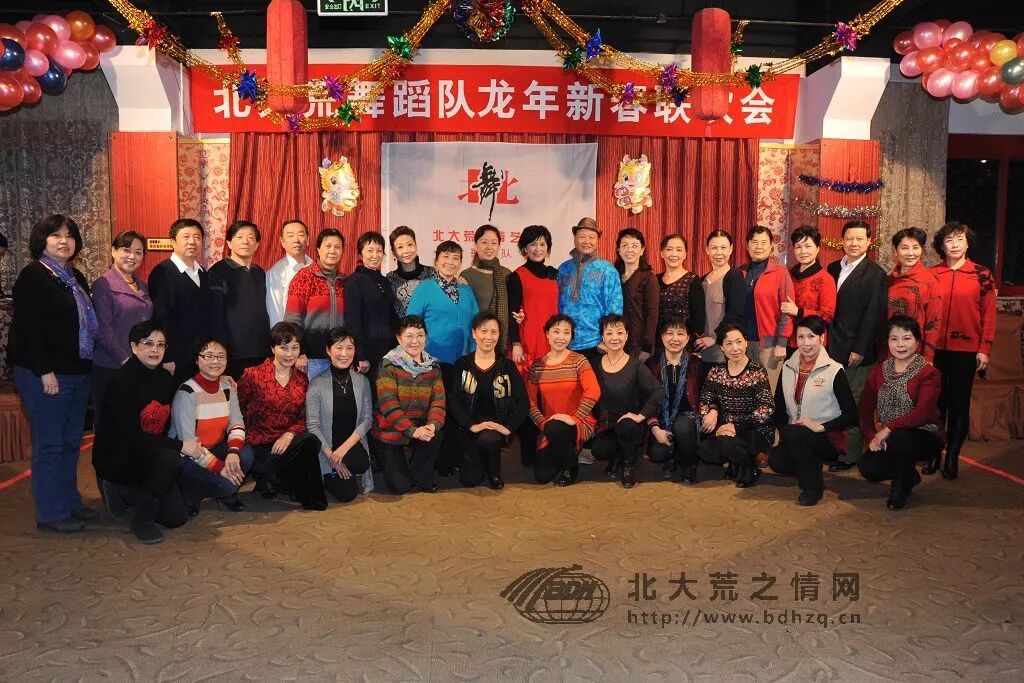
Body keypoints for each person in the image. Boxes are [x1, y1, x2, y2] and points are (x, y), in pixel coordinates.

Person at [10, 215, 99, 533]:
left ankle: (70, 502)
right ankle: (51, 513)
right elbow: (30, 330)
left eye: (69, 235)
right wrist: (45, 371)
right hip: (44, 374)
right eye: (56, 235)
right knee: (50, 444)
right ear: (42, 240)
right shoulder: (33, 276)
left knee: (71, 442)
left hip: (76, 372)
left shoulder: (75, 277)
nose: (64, 241)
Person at [92, 321, 189, 544]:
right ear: (134, 347)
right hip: (118, 455)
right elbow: (131, 436)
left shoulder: (164, 378)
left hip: (148, 454)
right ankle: (141, 521)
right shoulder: (122, 381)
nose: (155, 349)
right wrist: (180, 446)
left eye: (161, 344)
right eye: (148, 343)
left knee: (176, 517)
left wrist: (223, 378)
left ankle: (128, 490)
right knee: (170, 458)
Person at [927, 221, 997, 479]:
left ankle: (952, 456)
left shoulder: (982, 274)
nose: (954, 245)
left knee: (958, 404)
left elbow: (989, 315)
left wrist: (984, 348)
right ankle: (934, 453)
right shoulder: (932, 274)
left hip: (966, 350)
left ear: (968, 244)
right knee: (934, 404)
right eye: (949, 240)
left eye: (960, 240)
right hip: (934, 350)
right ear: (941, 246)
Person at [768, 316, 857, 506]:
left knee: (796, 435)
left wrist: (820, 427)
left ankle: (813, 487)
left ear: (821, 338)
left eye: (811, 336)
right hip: (795, 435)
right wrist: (784, 433)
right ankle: (811, 466)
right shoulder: (788, 366)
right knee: (777, 461)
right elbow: (779, 407)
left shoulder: (834, 370)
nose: (806, 343)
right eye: (801, 337)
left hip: (827, 437)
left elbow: (851, 414)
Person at [237, 322, 327, 511]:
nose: (289, 354)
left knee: (310, 441)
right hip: (260, 448)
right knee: (302, 457)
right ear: (272, 348)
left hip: (288, 445)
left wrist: (289, 434)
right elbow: (239, 410)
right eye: (283, 348)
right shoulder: (253, 375)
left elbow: (301, 418)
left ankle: (306, 495)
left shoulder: (301, 380)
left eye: (295, 348)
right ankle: (273, 479)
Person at [858, 315, 944, 510]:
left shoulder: (928, 373)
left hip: (926, 434)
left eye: (906, 338)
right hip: (891, 436)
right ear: (887, 342)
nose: (900, 344)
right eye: (894, 339)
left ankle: (899, 488)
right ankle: (908, 476)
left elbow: (923, 412)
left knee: (900, 439)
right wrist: (871, 437)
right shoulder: (880, 370)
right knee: (869, 468)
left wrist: (889, 428)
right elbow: (864, 407)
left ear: (917, 341)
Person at [826, 219, 888, 471]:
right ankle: (834, 448)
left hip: (856, 351)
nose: (854, 243)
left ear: (869, 241)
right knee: (832, 399)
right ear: (842, 241)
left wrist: (860, 349)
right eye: (849, 238)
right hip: (832, 346)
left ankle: (851, 454)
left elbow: (874, 315)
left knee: (852, 401)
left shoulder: (875, 274)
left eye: (859, 239)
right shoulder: (832, 268)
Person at [170, 338, 255, 514]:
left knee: (246, 454)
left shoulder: (227, 388)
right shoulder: (187, 392)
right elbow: (189, 445)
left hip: (214, 447)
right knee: (227, 485)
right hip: (186, 456)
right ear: (197, 359)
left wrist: (233, 453)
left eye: (221, 356)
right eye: (208, 356)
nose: (215, 361)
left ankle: (225, 493)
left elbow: (237, 424)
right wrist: (221, 468)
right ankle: (190, 494)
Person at [447, 312, 528, 489]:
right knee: (470, 480)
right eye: (483, 331)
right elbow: (453, 401)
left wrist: (508, 427)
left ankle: (494, 472)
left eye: (494, 332)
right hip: (470, 427)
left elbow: (523, 401)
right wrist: (471, 425)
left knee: (489, 440)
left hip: (496, 427)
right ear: (474, 333)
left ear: (499, 335)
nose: (488, 337)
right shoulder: (461, 365)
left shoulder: (507, 365)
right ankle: (479, 458)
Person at [372, 315, 446, 494]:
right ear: (399, 338)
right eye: (409, 336)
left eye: (420, 335)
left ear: (426, 337)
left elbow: (438, 401)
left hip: (420, 426)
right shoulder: (388, 364)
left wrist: (432, 425)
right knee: (400, 486)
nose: (415, 341)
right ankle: (389, 459)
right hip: (391, 430)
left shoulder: (433, 366)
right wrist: (413, 431)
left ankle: (420, 474)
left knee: (436, 433)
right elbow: (389, 406)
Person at [525, 314, 601, 487]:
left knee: (557, 429)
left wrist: (575, 418)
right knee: (542, 476)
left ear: (571, 337)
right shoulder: (537, 366)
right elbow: (529, 401)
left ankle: (571, 466)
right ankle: (566, 451)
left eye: (566, 332)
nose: (561, 337)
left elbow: (594, 390)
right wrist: (543, 424)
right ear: (547, 334)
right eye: (556, 331)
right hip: (550, 426)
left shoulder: (579, 360)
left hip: (579, 422)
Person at [590, 315, 665, 488]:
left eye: (619, 332)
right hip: (607, 424)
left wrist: (640, 416)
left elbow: (659, 391)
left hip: (630, 424)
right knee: (599, 450)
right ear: (602, 337)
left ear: (626, 336)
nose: (614, 338)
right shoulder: (594, 364)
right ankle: (616, 456)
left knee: (626, 427)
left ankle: (628, 465)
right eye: (609, 333)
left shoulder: (635, 365)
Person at [507, 225, 559, 468]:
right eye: (532, 244)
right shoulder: (516, 276)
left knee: (550, 401)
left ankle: (548, 449)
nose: (538, 249)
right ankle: (529, 454)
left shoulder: (554, 275)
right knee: (529, 402)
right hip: (527, 346)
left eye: (542, 244)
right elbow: (512, 313)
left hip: (552, 347)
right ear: (524, 249)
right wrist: (516, 343)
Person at [697, 324, 774, 488]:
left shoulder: (757, 371)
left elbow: (767, 407)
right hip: (725, 428)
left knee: (726, 442)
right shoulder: (716, 370)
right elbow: (705, 399)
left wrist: (738, 428)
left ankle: (750, 468)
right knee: (705, 449)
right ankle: (736, 461)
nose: (735, 348)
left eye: (739, 342)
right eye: (729, 343)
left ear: (746, 343)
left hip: (754, 429)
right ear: (722, 348)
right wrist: (713, 421)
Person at [91, 230, 152, 431]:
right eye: (126, 250)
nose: (132, 256)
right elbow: (103, 329)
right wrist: (127, 360)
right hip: (112, 367)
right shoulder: (103, 285)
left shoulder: (142, 285)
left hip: (138, 366)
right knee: (110, 427)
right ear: (113, 251)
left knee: (134, 425)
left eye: (138, 252)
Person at [306, 326, 375, 504]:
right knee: (347, 494)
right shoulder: (316, 384)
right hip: (326, 446)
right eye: (339, 347)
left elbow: (367, 419)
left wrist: (342, 451)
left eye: (349, 348)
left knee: (361, 462)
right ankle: (330, 470)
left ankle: (339, 470)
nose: (344, 353)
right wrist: (331, 456)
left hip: (350, 444)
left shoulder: (362, 381)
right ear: (328, 351)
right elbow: (312, 426)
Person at [148, 218, 212, 384]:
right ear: (173, 242)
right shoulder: (162, 272)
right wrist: (167, 357)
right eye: (186, 236)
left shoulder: (203, 273)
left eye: (197, 237)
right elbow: (160, 318)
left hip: (200, 356)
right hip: (175, 358)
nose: (192, 241)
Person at [556, 217, 623, 367]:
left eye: (591, 237)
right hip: (565, 342)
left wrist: (607, 341)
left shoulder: (607, 270)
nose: (587, 241)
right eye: (582, 237)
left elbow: (615, 309)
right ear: (575, 239)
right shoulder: (563, 269)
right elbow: (556, 304)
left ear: (598, 240)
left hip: (596, 345)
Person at [209, 220, 271, 380]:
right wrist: (221, 349)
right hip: (233, 351)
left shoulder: (260, 272)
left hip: (260, 350)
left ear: (257, 245)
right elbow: (215, 315)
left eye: (251, 237)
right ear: (229, 243)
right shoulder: (218, 271)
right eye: (239, 237)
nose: (245, 241)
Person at [646, 315, 702, 484]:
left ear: (688, 337)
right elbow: (647, 399)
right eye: (669, 333)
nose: (675, 339)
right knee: (657, 453)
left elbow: (708, 393)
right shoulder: (652, 364)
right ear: (662, 336)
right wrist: (655, 428)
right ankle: (676, 452)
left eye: (680, 334)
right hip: (662, 418)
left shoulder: (696, 363)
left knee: (682, 426)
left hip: (688, 417)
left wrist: (711, 411)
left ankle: (689, 465)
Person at [284, 228, 346, 380]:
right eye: (328, 246)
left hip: (339, 357)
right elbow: (292, 321)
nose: (332, 251)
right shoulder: (304, 277)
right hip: (311, 358)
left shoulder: (344, 281)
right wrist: (299, 352)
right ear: (318, 249)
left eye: (337, 247)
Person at [739, 225, 794, 394]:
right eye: (754, 242)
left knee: (766, 394)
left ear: (771, 246)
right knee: (744, 393)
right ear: (747, 245)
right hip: (742, 345)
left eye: (764, 242)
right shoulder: (740, 272)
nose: (759, 246)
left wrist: (782, 343)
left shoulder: (780, 272)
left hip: (769, 346)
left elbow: (787, 310)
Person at [406, 240, 479, 365]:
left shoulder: (467, 291)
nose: (450, 262)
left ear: (460, 263)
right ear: (436, 261)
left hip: (463, 360)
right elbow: (410, 324)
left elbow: (476, 324)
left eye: (455, 258)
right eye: (446, 256)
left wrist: (475, 353)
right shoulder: (424, 289)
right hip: (430, 360)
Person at [344, 231, 399, 387]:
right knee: (369, 395)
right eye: (370, 250)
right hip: (367, 353)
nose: (375, 255)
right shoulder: (355, 280)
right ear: (360, 254)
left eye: (379, 250)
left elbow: (390, 316)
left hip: (388, 351)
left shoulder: (384, 281)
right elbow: (353, 321)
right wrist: (360, 354)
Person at [694, 230, 746, 377]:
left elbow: (735, 313)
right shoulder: (702, 281)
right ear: (707, 250)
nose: (719, 253)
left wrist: (715, 338)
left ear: (731, 249)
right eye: (714, 248)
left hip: (723, 352)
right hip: (702, 351)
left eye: (723, 248)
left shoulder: (734, 277)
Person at [887, 227, 941, 362]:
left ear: (922, 250)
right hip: (888, 352)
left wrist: (928, 357)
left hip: (916, 353)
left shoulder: (930, 282)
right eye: (904, 248)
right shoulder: (888, 280)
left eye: (915, 248)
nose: (910, 253)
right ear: (895, 251)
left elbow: (934, 324)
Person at [782, 226, 836, 356]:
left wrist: (798, 312)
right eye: (798, 247)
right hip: (789, 340)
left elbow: (827, 315)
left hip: (812, 341)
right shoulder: (788, 275)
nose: (803, 251)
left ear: (817, 249)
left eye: (808, 246)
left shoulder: (825, 278)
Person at [461, 225, 513, 354]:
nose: (489, 247)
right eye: (484, 242)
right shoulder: (466, 276)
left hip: (500, 341)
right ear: (475, 245)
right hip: (475, 341)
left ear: (499, 246)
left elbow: (513, 308)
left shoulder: (507, 274)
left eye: (493, 243)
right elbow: (462, 313)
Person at [615, 228, 660, 361]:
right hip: (616, 341)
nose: (629, 250)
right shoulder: (613, 275)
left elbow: (652, 314)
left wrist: (647, 347)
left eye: (634, 246)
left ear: (642, 250)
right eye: (625, 246)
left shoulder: (649, 278)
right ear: (619, 250)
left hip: (638, 345)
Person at [657, 233, 706, 346]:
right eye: (669, 249)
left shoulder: (692, 280)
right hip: (659, 342)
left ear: (685, 255)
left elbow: (698, 317)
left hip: (683, 343)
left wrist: (695, 343)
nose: (674, 254)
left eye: (679, 250)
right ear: (662, 253)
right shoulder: (655, 280)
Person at [265, 219, 313, 327]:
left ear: (308, 240)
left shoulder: (316, 269)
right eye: (290, 236)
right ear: (282, 242)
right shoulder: (276, 273)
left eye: (300, 235)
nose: (296, 240)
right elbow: (274, 313)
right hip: (290, 334)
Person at [386, 226, 437, 317]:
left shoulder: (431, 273)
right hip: (402, 326)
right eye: (400, 247)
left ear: (416, 245)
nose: (406, 250)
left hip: (429, 325)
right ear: (393, 252)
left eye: (410, 245)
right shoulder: (390, 278)